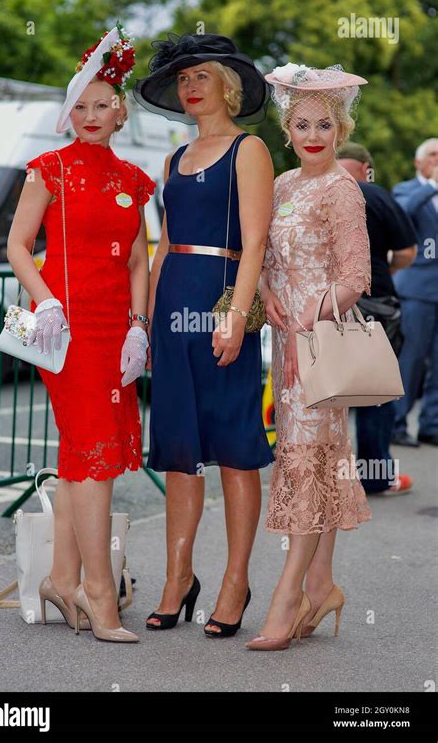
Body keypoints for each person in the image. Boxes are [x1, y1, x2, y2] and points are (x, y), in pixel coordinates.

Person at [7, 24, 156, 643]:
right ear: (68, 114)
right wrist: (45, 304)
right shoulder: (49, 169)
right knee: (93, 460)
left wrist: (139, 328)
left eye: (102, 105)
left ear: (119, 113)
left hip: (113, 332)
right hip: (64, 333)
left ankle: (61, 580)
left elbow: (137, 260)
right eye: (80, 106)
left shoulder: (133, 179)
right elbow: (17, 245)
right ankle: (99, 594)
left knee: (85, 460)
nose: (90, 115)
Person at [133, 32, 275, 637]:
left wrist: (237, 317)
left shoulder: (250, 150)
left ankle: (236, 583)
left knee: (237, 453)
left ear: (228, 86)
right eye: (183, 80)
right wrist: (144, 324)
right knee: (180, 457)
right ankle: (177, 578)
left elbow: (256, 241)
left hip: (221, 306)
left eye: (201, 78)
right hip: (173, 308)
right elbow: (163, 244)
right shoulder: (171, 159)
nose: (191, 88)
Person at [246, 63, 372, 651]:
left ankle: (289, 594)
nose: (313, 134)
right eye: (302, 124)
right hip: (285, 338)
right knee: (314, 458)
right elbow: (267, 258)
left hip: (321, 339)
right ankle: (322, 586)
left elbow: (356, 275)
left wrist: (305, 318)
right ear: (288, 131)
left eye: (325, 123)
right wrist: (269, 297)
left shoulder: (342, 190)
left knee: (304, 458)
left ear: (341, 128)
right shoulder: (283, 185)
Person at [337, 141, 418, 495]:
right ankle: (374, 475)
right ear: (366, 167)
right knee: (375, 393)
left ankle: (325, 475)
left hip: (321, 303)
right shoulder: (375, 194)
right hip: (374, 303)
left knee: (326, 389)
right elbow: (406, 251)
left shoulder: (310, 192)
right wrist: (385, 269)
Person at [391, 139, 438, 447]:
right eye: (433, 155)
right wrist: (431, 185)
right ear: (418, 163)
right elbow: (403, 212)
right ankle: (396, 422)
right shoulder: (407, 190)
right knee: (411, 359)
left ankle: (431, 424)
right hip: (418, 291)